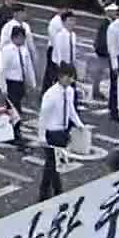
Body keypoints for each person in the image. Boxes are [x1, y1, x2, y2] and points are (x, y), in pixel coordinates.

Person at [36, 63, 85, 201]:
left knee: (53, 164)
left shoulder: (69, 91)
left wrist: (79, 124)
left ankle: (46, 190)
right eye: (68, 77)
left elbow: (70, 110)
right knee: (53, 163)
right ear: (60, 77)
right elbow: (43, 116)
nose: (71, 80)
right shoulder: (50, 94)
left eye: (72, 77)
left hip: (62, 132)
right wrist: (41, 136)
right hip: (52, 132)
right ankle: (55, 191)